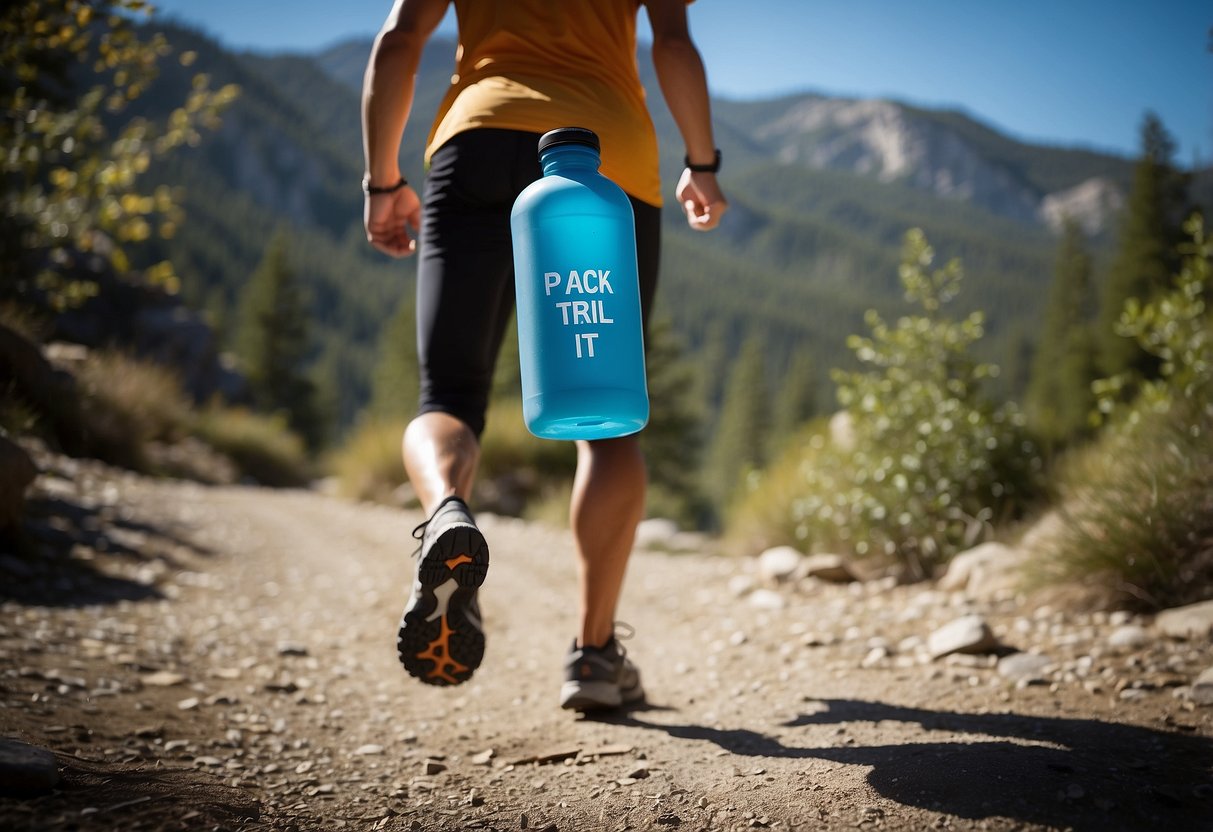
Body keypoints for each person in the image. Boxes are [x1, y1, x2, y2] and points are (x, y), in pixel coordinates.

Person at [361, 0, 727, 711]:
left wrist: (382, 179)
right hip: (605, 155)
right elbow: (673, 42)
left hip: (479, 138)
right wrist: (702, 162)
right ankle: (593, 656)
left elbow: (400, 39)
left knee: (449, 394)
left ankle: (444, 513)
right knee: (608, 409)